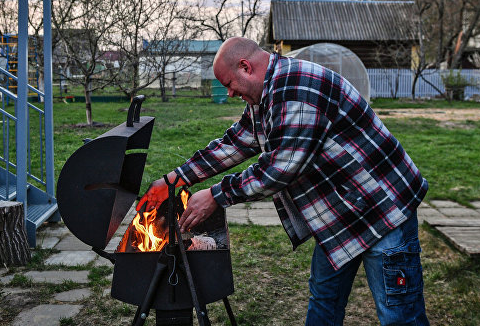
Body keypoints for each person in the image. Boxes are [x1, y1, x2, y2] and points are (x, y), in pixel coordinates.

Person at [140, 37, 429, 325]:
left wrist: (216, 195)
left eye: (229, 84)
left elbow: (279, 169)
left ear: (245, 67)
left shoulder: (297, 89)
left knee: (399, 315)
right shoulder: (268, 92)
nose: (229, 93)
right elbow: (235, 143)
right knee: (324, 298)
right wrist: (174, 179)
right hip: (343, 213)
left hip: (383, 208)